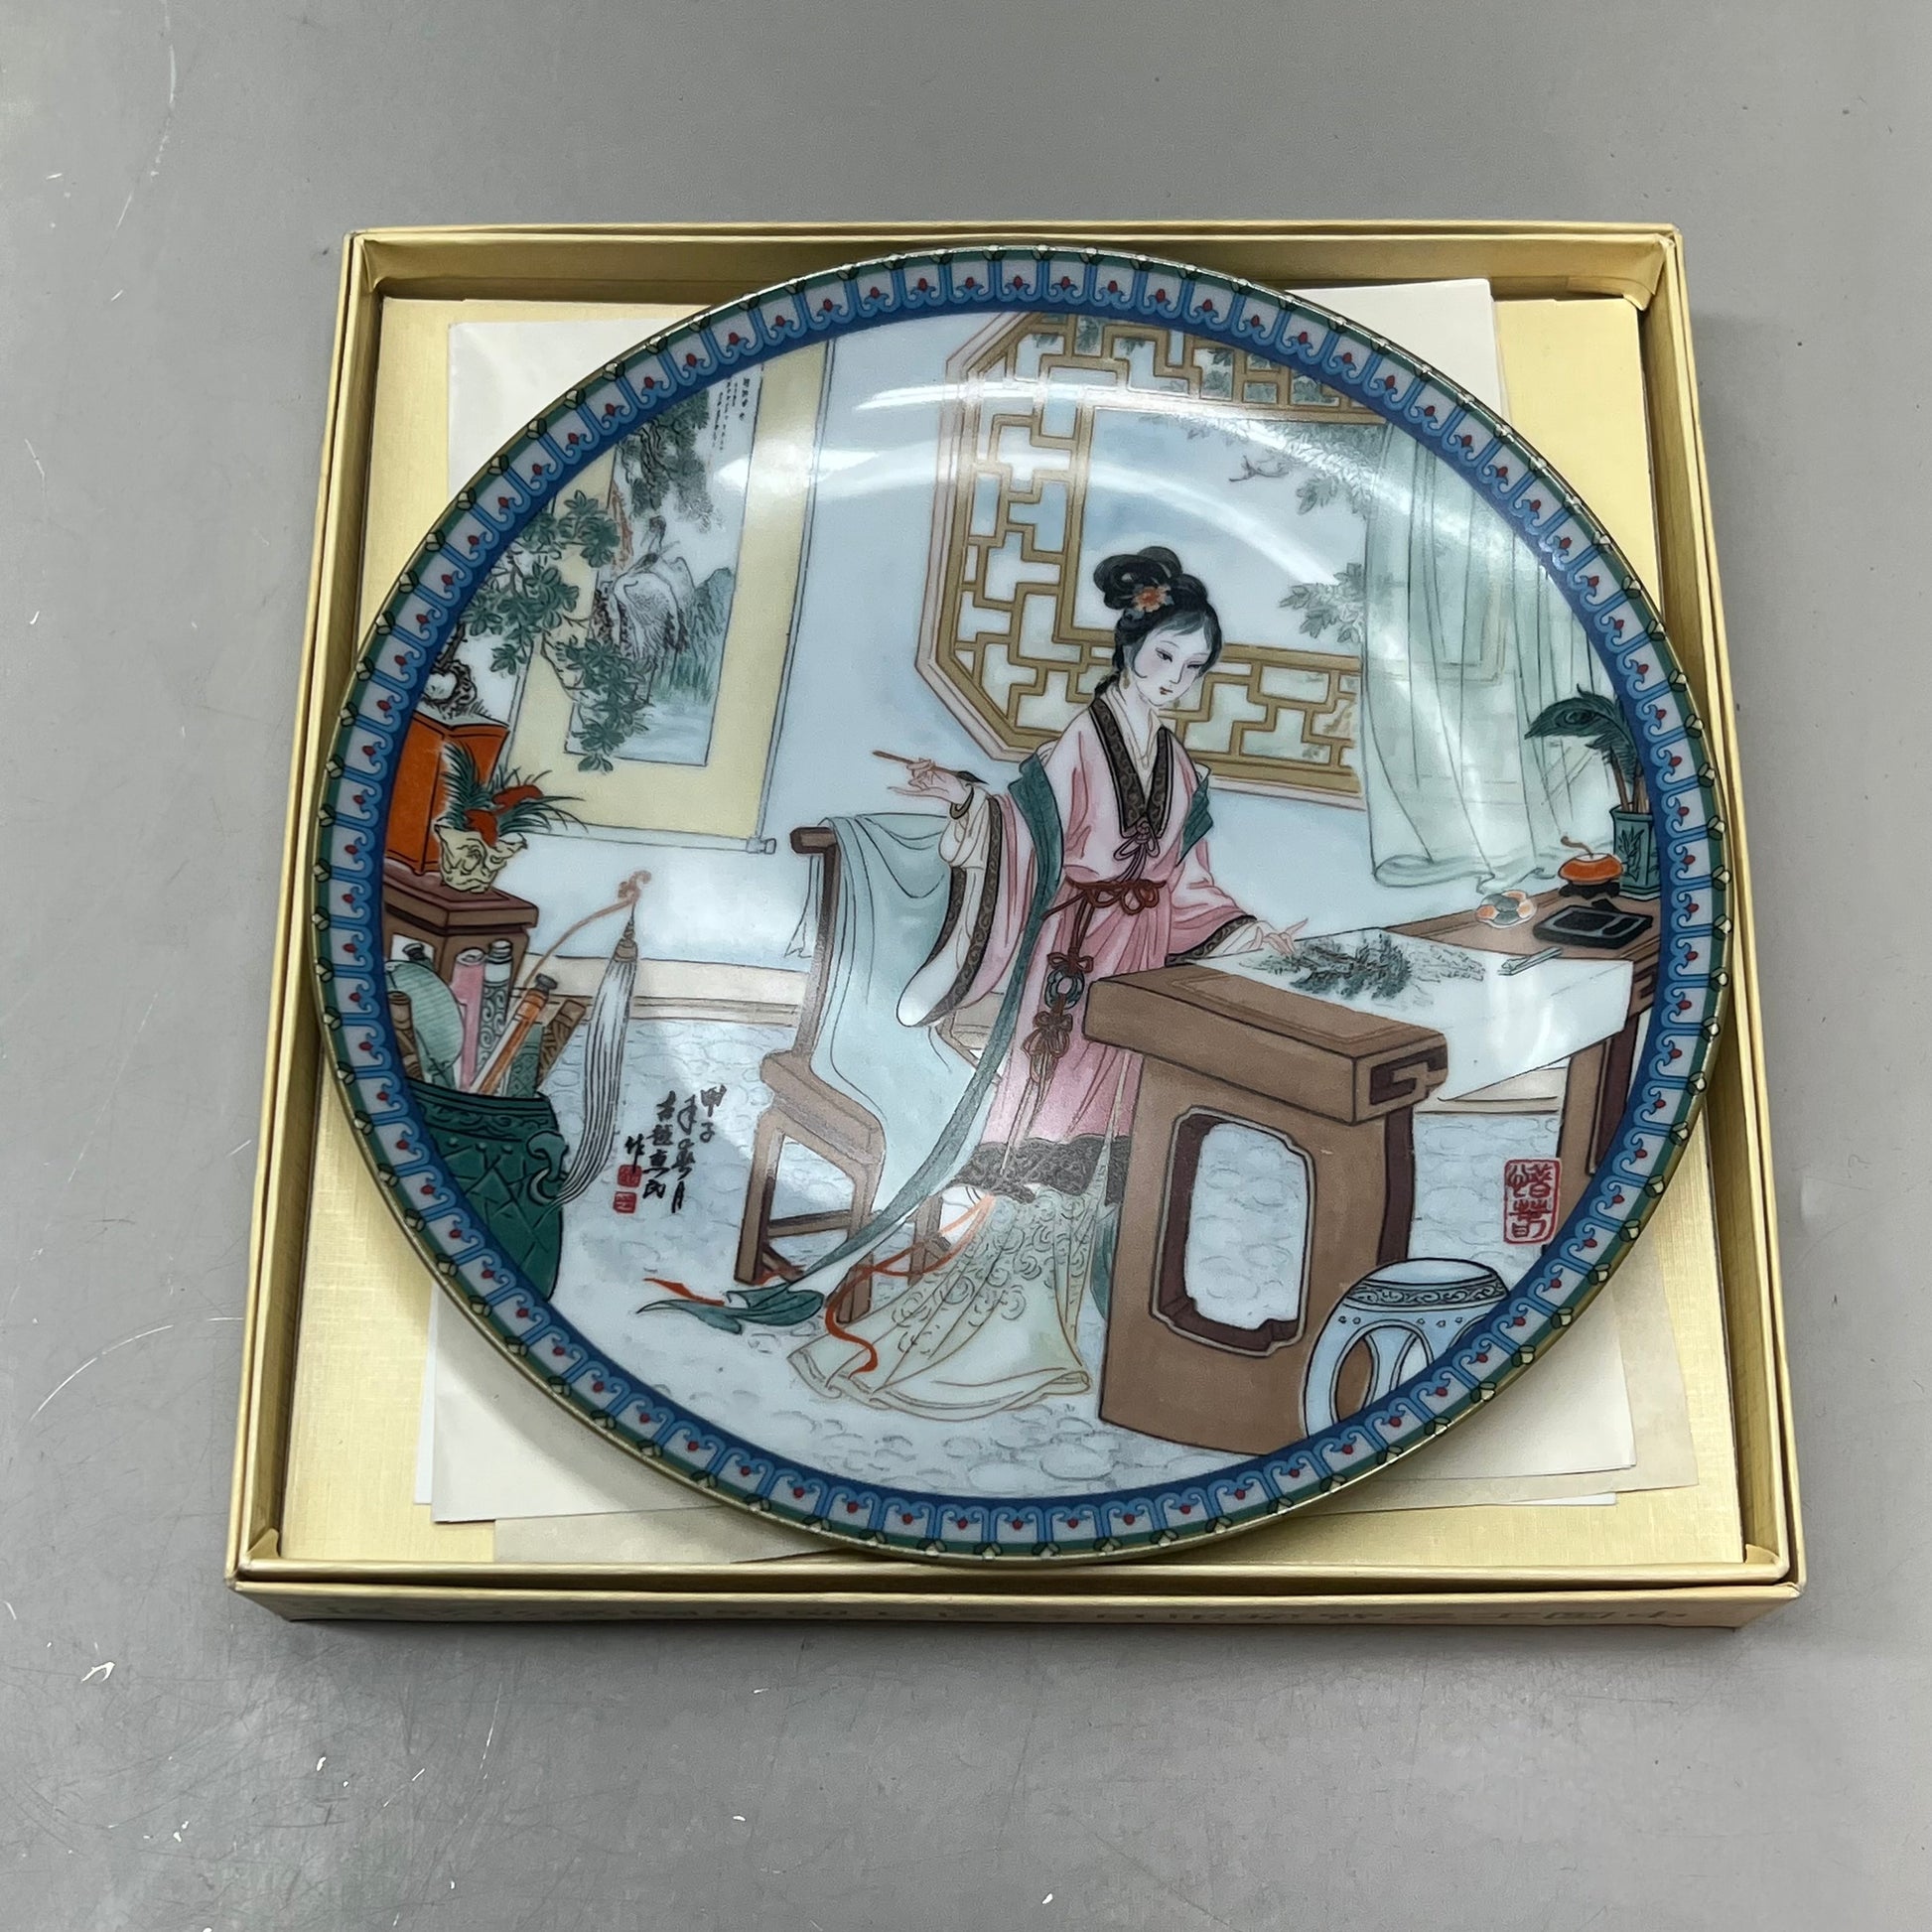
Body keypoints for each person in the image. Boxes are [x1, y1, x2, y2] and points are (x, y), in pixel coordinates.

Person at [789, 547, 1302, 1420]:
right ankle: (1002, 1322)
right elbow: (1026, 839)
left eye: (1193, 667)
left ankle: (1060, 1316)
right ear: (1130, 646)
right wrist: (965, 799)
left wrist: (1246, 929)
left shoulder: (1179, 766)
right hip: (1072, 964)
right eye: (1164, 656)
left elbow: (1186, 881)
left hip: (1139, 958)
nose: (1175, 679)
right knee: (1050, 1121)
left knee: (1112, 1128)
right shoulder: (1078, 747)